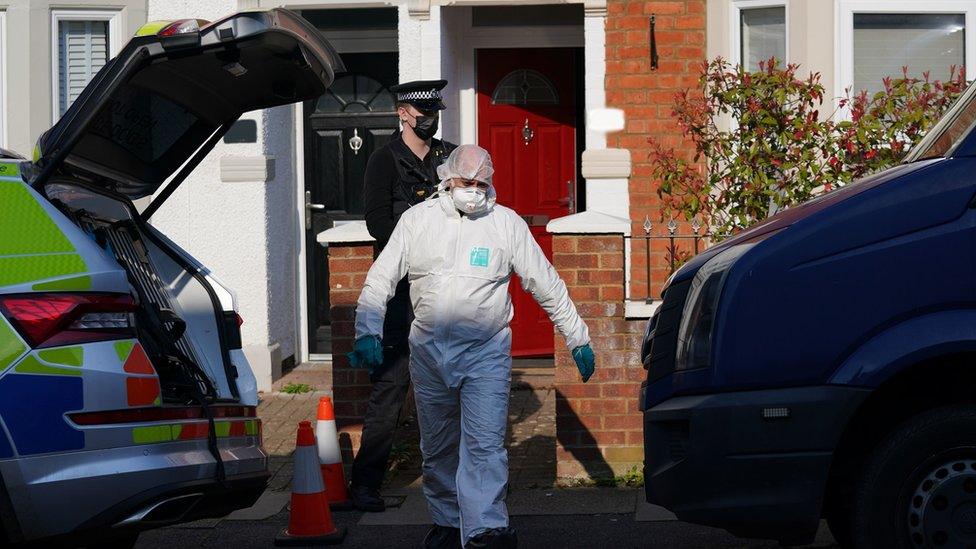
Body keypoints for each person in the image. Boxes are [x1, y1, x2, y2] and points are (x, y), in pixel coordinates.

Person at [348, 145, 597, 549]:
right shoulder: (417, 221)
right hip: (428, 351)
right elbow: (381, 279)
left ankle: (485, 529)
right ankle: (448, 523)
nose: (474, 191)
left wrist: (577, 336)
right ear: (447, 180)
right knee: (439, 445)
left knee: (484, 443)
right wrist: (367, 329)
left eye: (482, 183)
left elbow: (544, 281)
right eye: (466, 182)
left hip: (485, 351)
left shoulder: (505, 224)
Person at [349, 79, 456, 513]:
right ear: (403, 112)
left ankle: (460, 479)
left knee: (454, 383)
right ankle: (365, 484)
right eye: (421, 111)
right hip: (399, 290)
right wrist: (424, 230)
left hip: (444, 288)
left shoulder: (449, 157)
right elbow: (377, 224)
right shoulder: (383, 160)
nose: (429, 118)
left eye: (434, 110)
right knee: (391, 388)